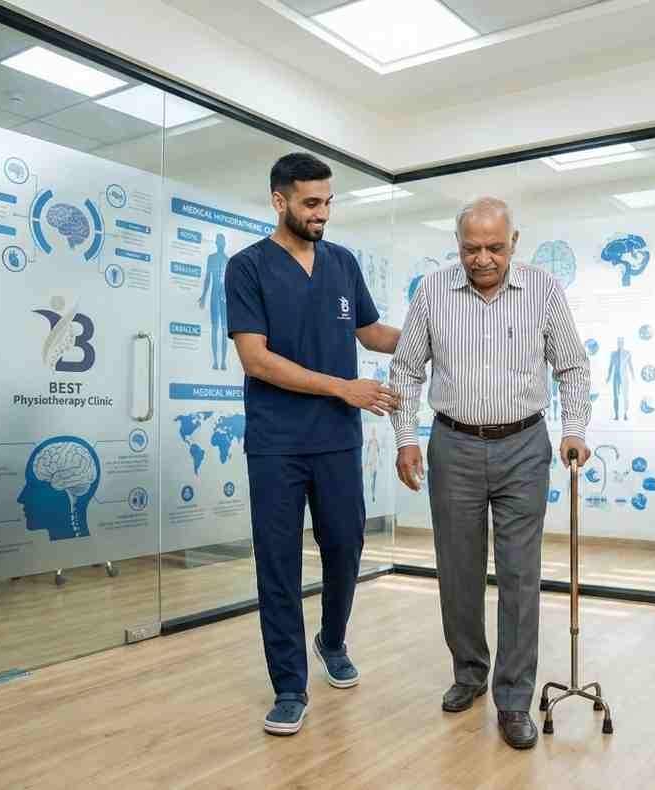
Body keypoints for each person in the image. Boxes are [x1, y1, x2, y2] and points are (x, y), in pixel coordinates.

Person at [390, 196, 591, 750]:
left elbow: (572, 365)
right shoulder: (432, 291)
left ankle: (513, 698)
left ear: (515, 241)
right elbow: (406, 369)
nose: (482, 259)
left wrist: (574, 428)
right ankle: (469, 674)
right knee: (457, 568)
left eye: (494, 247)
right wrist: (407, 440)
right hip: (452, 443)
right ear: (457, 246)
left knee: (520, 575)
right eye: (470, 248)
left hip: (525, 444)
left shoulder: (544, 289)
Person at [226, 152, 401, 737]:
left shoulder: (342, 263)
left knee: (346, 547)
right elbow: (256, 358)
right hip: (277, 443)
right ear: (280, 201)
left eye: (328, 202)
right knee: (278, 564)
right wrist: (343, 387)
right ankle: (289, 685)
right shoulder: (247, 268)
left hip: (336, 443)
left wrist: (440, 328)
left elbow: (372, 333)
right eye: (311, 203)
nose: (323, 213)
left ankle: (331, 639)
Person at [200, 233, 230, 370]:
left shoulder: (228, 260)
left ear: (224, 244)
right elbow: (207, 278)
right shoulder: (211, 258)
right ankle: (215, 361)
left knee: (224, 329)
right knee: (214, 328)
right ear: (216, 243)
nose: (221, 244)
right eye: (219, 241)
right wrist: (204, 296)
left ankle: (223, 361)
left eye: (222, 241)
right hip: (214, 296)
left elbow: (230, 283)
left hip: (224, 297)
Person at [605, 336, 634, 421]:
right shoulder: (613, 354)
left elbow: (630, 366)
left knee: (625, 396)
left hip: (625, 377)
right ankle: (616, 414)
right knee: (616, 396)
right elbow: (610, 366)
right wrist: (608, 377)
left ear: (623, 343)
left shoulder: (627, 353)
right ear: (617, 343)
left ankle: (625, 414)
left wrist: (633, 377)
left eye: (621, 342)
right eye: (619, 342)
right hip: (616, 377)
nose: (620, 343)